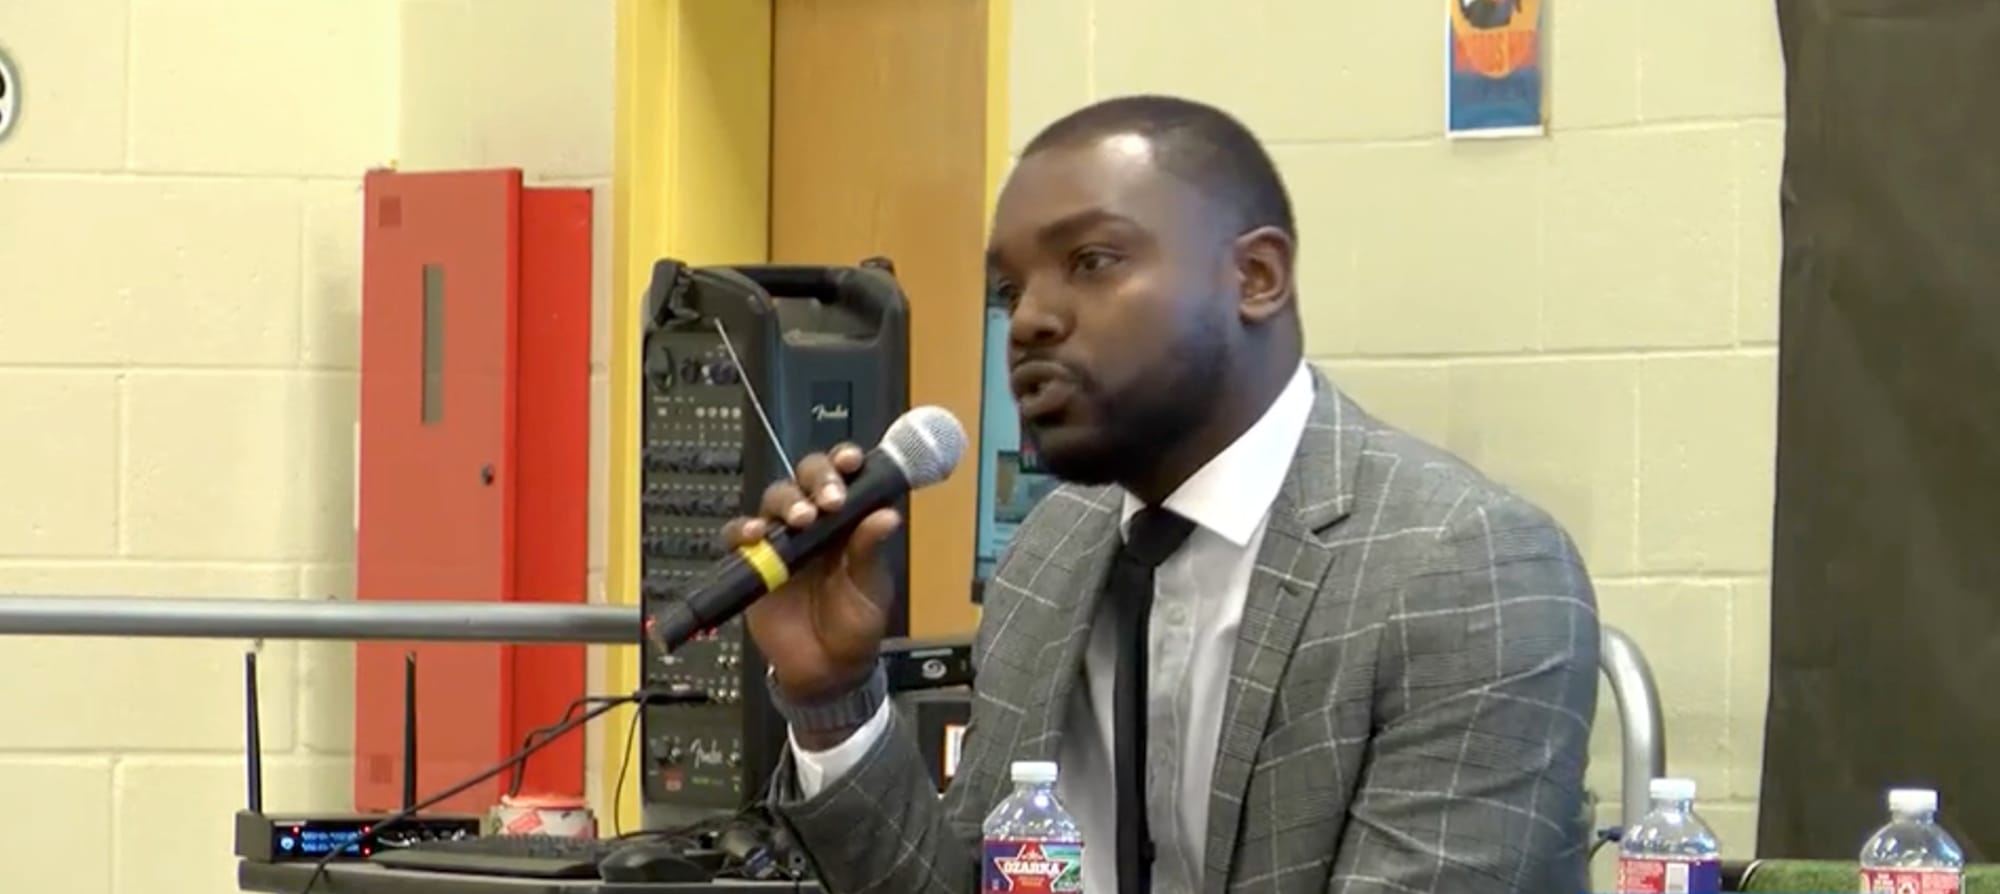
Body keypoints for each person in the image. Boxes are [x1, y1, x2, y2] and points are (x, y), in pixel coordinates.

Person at [724, 94, 1601, 894]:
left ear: (1256, 277)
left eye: (1092, 261)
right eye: (1009, 290)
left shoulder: (1465, 570)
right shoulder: (1049, 555)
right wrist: (833, 695)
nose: (1028, 319)